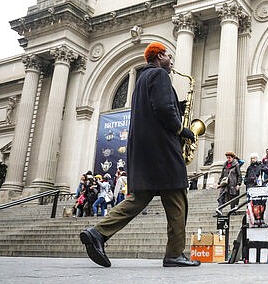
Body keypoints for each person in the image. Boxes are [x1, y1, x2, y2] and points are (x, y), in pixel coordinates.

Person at [79, 41, 200, 268]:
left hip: (145, 152)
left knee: (139, 198)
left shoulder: (141, 81)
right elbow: (164, 110)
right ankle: (174, 254)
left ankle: (98, 232)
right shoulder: (160, 76)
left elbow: (157, 109)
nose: (171, 61)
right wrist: (181, 129)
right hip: (163, 150)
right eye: (168, 57)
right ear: (158, 56)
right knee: (177, 200)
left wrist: (177, 107)